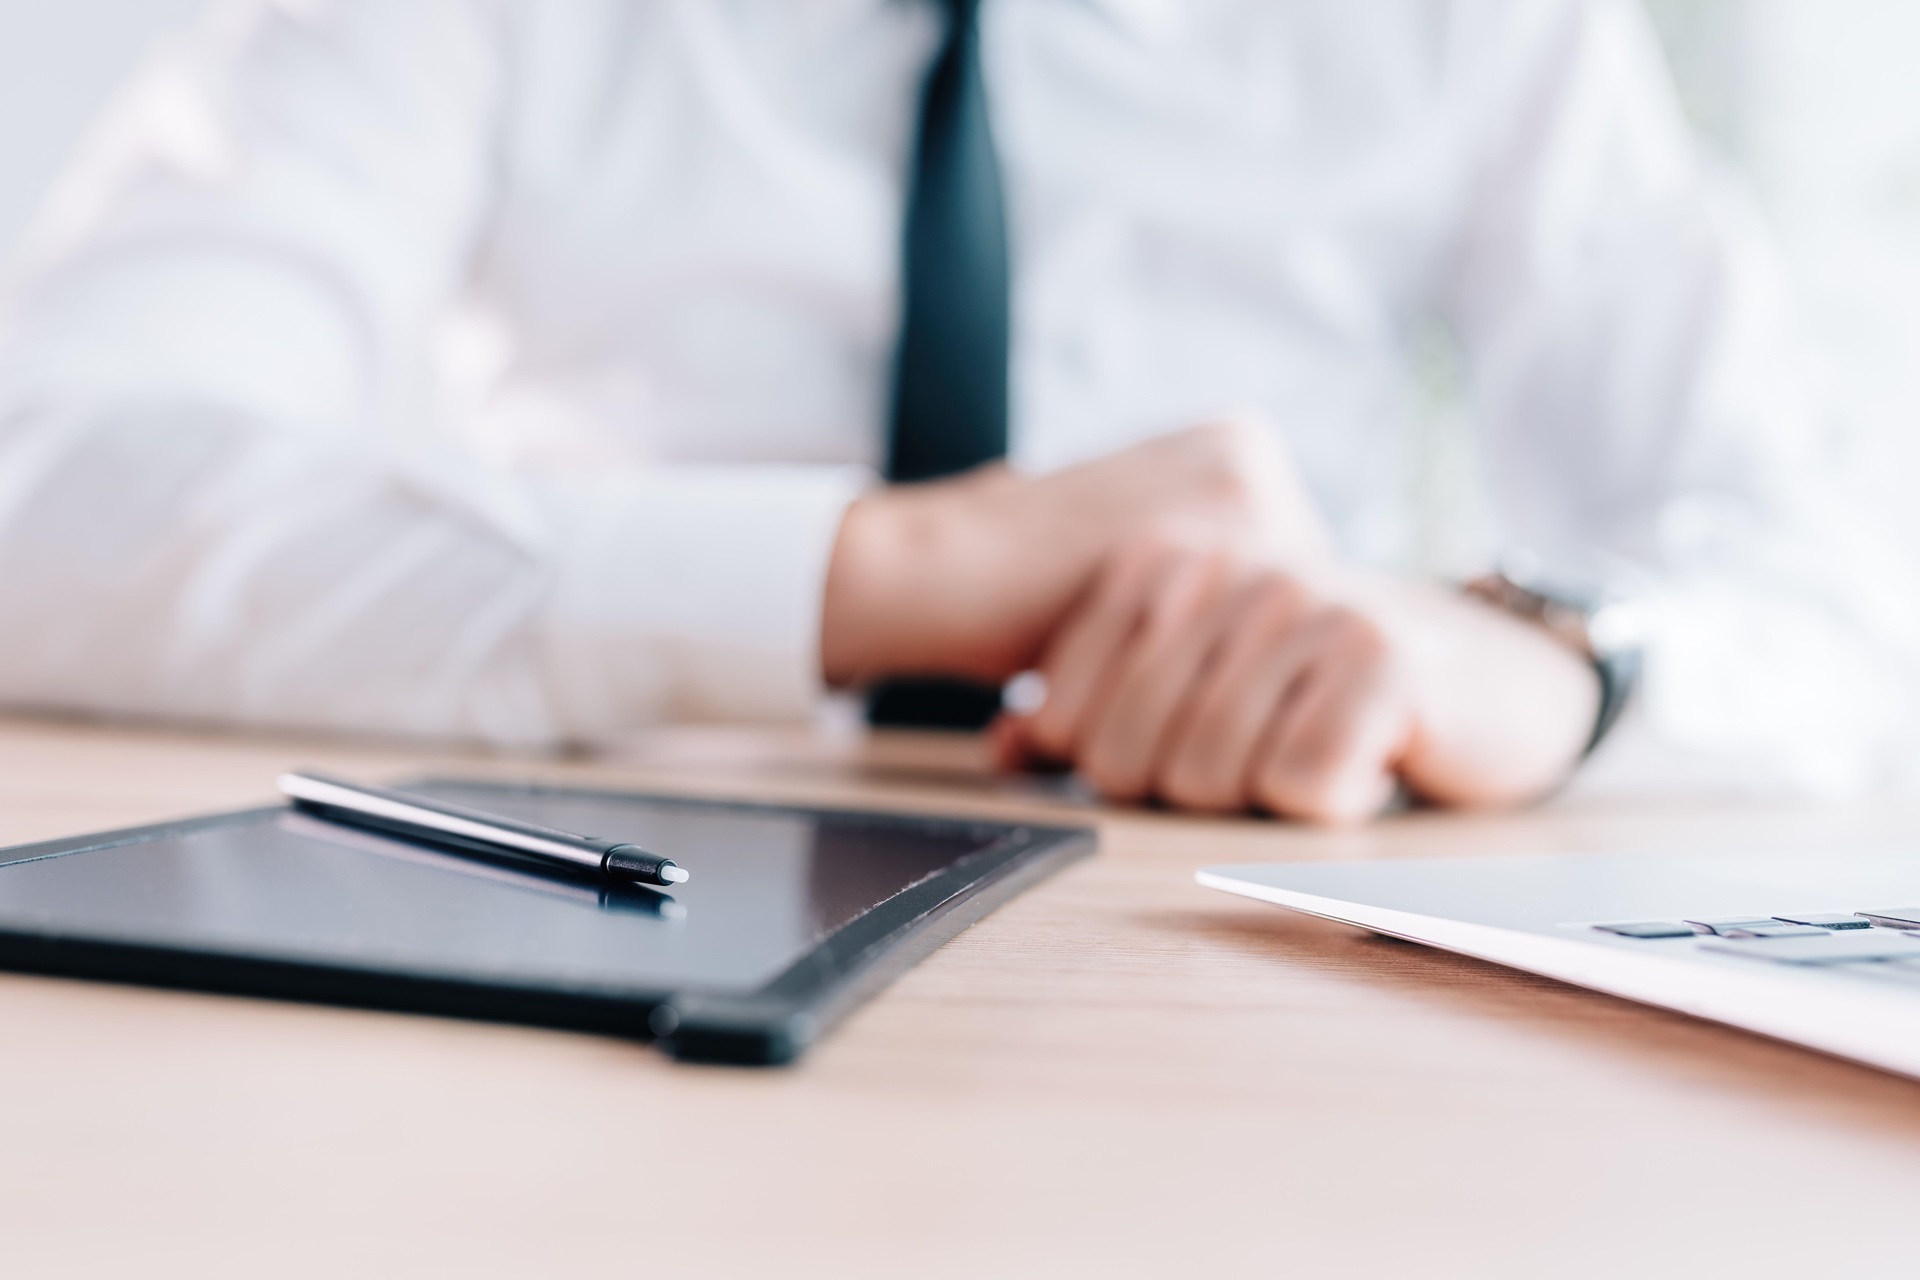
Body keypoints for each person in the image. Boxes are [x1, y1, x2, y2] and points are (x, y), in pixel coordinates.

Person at [0, 0, 1899, 822]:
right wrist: (885, 574)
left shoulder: (1485, 28)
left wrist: (1544, 661)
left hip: (1250, 928)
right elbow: (47, 493)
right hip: (624, 892)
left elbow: (1833, 619)